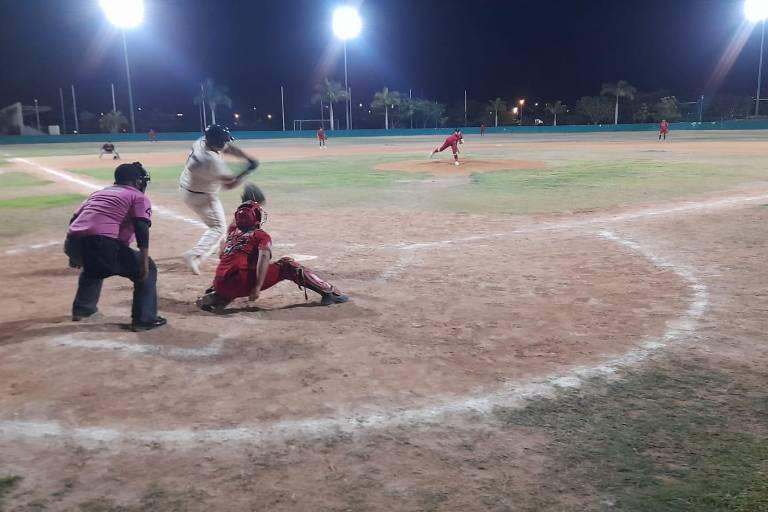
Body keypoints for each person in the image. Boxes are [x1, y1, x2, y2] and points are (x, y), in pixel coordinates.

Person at [196, 200, 349, 312]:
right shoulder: (261, 235)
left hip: (219, 282)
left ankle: (221, 296)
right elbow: (263, 259)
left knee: (239, 264)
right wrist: (256, 288)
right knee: (287, 265)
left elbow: (222, 255)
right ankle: (331, 293)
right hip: (241, 283)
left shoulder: (231, 234)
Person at [64, 162, 166, 332]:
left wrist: (73, 256)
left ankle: (83, 309)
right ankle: (145, 319)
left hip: (72, 243)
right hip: (99, 244)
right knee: (148, 269)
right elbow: (141, 227)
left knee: (93, 265)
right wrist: (144, 261)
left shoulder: (99, 193)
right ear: (136, 181)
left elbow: (74, 220)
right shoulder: (137, 197)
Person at [179, 124, 258, 275]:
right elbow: (231, 183)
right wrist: (248, 170)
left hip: (188, 188)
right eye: (222, 140)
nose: (224, 143)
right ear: (215, 141)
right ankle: (194, 255)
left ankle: (223, 249)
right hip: (202, 196)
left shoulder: (202, 141)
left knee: (217, 224)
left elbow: (229, 148)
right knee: (218, 228)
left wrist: (247, 158)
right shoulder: (209, 160)